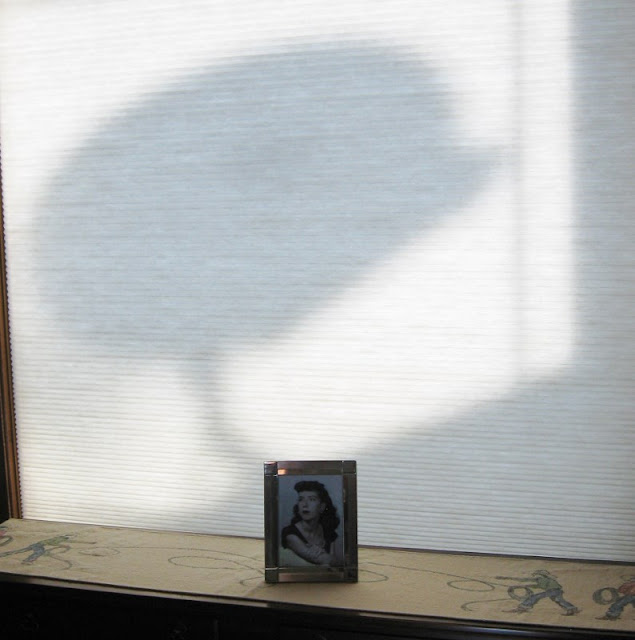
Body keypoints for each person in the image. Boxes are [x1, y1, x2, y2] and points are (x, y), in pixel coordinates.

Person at [281, 480, 341, 567]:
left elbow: (338, 563)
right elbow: (325, 560)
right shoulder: (290, 533)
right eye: (301, 499)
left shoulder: (328, 533)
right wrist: (327, 558)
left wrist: (329, 559)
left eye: (312, 499)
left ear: (322, 507)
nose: (305, 504)